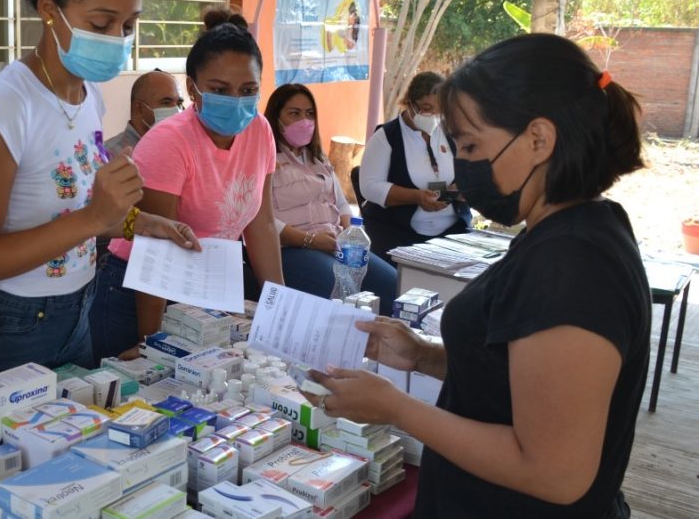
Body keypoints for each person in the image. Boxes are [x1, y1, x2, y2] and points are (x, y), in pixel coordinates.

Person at [307, 33, 650, 518]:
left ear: (539, 139)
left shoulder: (573, 264)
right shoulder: (564, 232)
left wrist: (397, 409)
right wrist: (425, 356)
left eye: (469, 146)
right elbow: (522, 380)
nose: (461, 166)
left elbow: (555, 470)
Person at [0, 0, 198, 386]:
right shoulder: (9, 104)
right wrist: (96, 217)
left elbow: (78, 211)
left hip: (78, 313)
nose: (119, 38)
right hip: (10, 329)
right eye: (102, 24)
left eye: (129, 25)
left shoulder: (89, 96)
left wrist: (144, 223)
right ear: (49, 9)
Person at [88, 8, 284, 363]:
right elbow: (158, 243)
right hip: (138, 293)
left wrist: (279, 310)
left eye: (248, 90)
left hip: (209, 287)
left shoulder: (260, 131)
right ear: (193, 88)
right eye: (220, 89)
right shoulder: (170, 142)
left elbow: (262, 224)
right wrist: (153, 344)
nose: (237, 101)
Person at [263, 84, 396, 311]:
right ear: (276, 117)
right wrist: (310, 240)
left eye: (309, 113)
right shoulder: (265, 157)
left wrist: (348, 234)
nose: (304, 121)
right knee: (337, 286)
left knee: (391, 283)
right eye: (294, 113)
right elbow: (262, 219)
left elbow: (342, 203)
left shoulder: (317, 157)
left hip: (334, 243)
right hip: (291, 249)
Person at [358, 72, 471, 264]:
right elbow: (369, 187)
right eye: (427, 108)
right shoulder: (387, 137)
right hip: (399, 237)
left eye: (439, 110)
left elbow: (467, 168)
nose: (434, 116)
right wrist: (416, 196)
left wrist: (461, 189)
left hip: (452, 235)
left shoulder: (450, 132)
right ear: (410, 103)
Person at [105, 69, 184, 156]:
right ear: (139, 108)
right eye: (166, 103)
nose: (176, 111)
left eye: (179, 103)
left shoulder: (176, 149)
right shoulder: (108, 156)